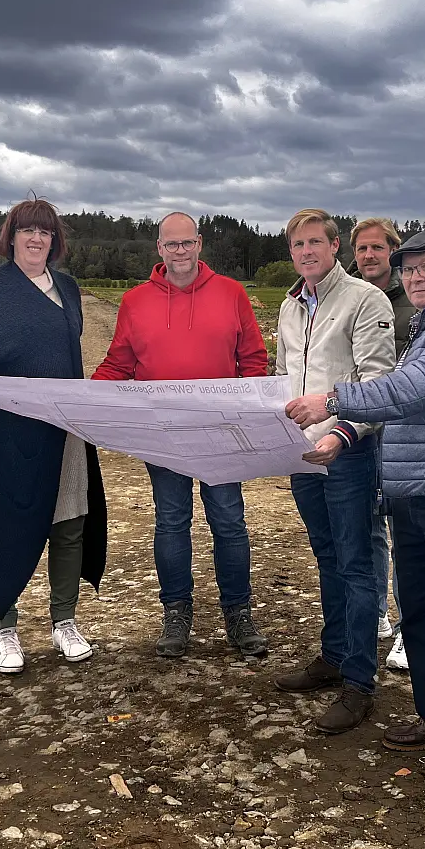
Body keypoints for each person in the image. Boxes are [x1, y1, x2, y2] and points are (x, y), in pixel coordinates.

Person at [287, 226, 425, 797]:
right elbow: (406, 393)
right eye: (409, 268)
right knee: (422, 616)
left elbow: (418, 386)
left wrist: (335, 399)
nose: (416, 276)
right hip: (414, 494)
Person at [93, 212, 270, 658]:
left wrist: (252, 409)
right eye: (171, 244)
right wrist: (84, 399)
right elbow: (119, 363)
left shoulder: (231, 293)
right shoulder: (135, 302)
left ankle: (238, 612)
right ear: (159, 248)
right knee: (172, 521)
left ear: (199, 243)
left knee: (228, 522)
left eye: (187, 243)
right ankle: (176, 612)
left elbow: (252, 358)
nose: (180, 251)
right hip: (164, 433)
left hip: (220, 431)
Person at [0, 196, 108, 672]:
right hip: (8, 430)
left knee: (68, 519)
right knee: (5, 523)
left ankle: (64, 621)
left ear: (54, 240)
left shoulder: (69, 288)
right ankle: (5, 629)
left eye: (45, 231)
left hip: (63, 425)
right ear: (12, 237)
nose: (37, 238)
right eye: (28, 230)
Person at [272, 209, 395, 734]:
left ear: (335, 245)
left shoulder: (366, 301)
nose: (306, 252)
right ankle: (335, 654)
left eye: (315, 242)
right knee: (327, 556)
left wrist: (341, 431)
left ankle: (360, 684)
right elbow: (283, 378)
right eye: (297, 245)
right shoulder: (289, 306)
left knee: (357, 563)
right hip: (303, 456)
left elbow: (379, 382)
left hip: (347, 454)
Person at [349, 217, 414, 669]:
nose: (369, 256)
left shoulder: (415, 301)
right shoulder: (351, 298)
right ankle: (375, 613)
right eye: (361, 249)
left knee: (406, 532)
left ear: (394, 250)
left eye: (377, 248)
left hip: (405, 435)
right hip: (360, 429)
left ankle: (412, 628)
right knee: (368, 527)